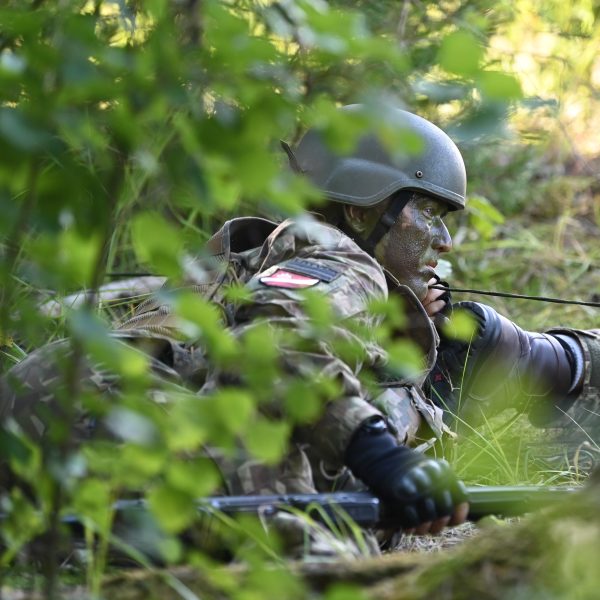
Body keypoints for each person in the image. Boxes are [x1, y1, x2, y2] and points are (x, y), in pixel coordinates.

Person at [1, 105, 598, 554]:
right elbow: (270, 346)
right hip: (130, 447)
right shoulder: (341, 258)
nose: (443, 241)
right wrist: (384, 457)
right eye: (428, 213)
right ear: (362, 210)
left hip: (42, 437)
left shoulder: (250, 261)